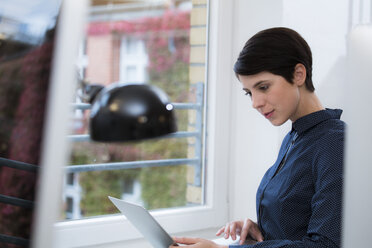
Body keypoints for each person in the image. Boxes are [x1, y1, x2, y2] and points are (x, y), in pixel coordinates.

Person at [170, 27, 345, 248]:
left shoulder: (334, 143)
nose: (256, 103)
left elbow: (325, 245)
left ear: (298, 74)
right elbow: (295, 224)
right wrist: (260, 233)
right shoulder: (295, 139)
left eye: (263, 87)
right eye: (249, 92)